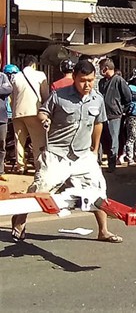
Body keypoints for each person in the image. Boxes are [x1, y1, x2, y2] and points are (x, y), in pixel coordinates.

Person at [10, 60, 123, 243]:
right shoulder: (59, 95)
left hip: (83, 155)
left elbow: (98, 124)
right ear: (75, 78)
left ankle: (103, 231)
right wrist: (45, 120)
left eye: (91, 80)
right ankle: (20, 218)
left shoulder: (97, 99)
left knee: (97, 191)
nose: (87, 85)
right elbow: (43, 112)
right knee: (41, 188)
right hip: (57, 153)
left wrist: (94, 150)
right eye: (83, 80)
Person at [11, 55, 49, 174]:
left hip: (17, 113)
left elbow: (12, 96)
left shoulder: (15, 77)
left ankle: (21, 166)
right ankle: (38, 166)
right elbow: (46, 95)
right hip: (34, 111)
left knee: (19, 141)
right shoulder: (40, 75)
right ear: (34, 64)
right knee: (37, 140)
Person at [97, 59, 132, 172]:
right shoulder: (101, 82)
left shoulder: (118, 80)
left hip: (115, 115)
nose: (99, 70)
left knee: (113, 140)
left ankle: (112, 164)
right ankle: (99, 161)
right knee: (102, 139)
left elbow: (128, 97)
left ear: (106, 68)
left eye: (101, 67)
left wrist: (122, 110)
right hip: (102, 114)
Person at [3, 64, 20, 169]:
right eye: (10, 74)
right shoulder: (5, 84)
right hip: (7, 114)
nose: (11, 76)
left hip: (12, 114)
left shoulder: (16, 83)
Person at [0, 63, 14, 181]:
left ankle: (0, 171)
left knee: (1, 144)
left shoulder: (3, 77)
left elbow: (8, 89)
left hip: (2, 117)